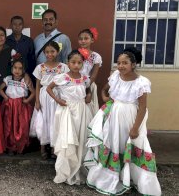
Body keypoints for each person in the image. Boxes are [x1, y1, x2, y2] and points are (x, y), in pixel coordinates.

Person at [85, 47, 161, 195]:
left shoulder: (141, 82)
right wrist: (105, 97)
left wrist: (135, 128)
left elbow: (143, 108)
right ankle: (115, 177)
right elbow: (105, 90)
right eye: (119, 63)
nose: (120, 66)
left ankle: (135, 179)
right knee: (115, 143)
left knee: (133, 145)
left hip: (131, 118)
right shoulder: (115, 76)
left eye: (125, 63)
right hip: (114, 118)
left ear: (133, 64)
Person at [46, 49, 92, 185]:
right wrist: (57, 100)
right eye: (73, 62)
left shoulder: (85, 78)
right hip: (67, 110)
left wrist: (88, 95)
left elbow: (88, 89)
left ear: (82, 64)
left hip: (82, 111)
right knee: (68, 139)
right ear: (68, 63)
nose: (76, 65)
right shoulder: (62, 77)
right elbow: (49, 88)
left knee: (80, 137)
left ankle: (78, 169)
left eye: (79, 62)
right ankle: (66, 170)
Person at [31, 41, 69, 159]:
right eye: (47, 52)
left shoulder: (63, 67)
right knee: (44, 120)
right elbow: (37, 85)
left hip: (57, 96)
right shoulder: (40, 67)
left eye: (52, 51)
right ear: (43, 53)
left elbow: (66, 83)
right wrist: (37, 101)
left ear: (57, 52)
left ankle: (54, 148)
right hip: (44, 97)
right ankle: (42, 147)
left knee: (55, 121)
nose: (49, 54)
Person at [0, 59, 35, 155]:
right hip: (10, 106)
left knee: (22, 126)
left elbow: (33, 92)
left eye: (20, 68)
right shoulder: (8, 79)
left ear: (23, 70)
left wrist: (27, 100)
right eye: (15, 68)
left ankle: (20, 146)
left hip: (21, 106)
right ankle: (10, 147)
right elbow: (0, 89)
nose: (17, 70)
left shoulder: (25, 80)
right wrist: (5, 97)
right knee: (9, 125)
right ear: (11, 69)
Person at [78, 28, 102, 116]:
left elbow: (93, 76)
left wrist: (86, 88)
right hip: (75, 84)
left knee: (89, 110)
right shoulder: (74, 54)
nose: (83, 41)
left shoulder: (96, 56)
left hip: (89, 85)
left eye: (86, 38)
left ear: (92, 40)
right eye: (80, 39)